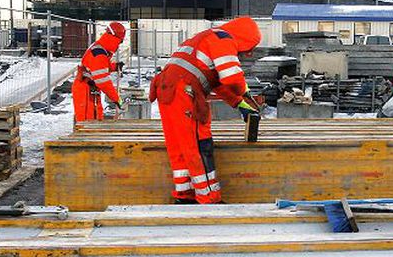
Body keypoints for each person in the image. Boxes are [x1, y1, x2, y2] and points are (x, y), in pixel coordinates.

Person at [149, 17, 261, 204]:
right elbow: (232, 77)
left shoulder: (205, 37)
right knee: (199, 145)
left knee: (179, 145)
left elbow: (215, 81)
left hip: (167, 89)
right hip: (183, 92)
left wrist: (239, 104)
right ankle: (209, 198)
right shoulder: (223, 39)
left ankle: (184, 195)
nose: (247, 54)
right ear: (245, 39)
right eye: (250, 49)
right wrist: (245, 92)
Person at [72, 21, 126, 122]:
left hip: (89, 88)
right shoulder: (99, 53)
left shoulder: (101, 48)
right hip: (85, 90)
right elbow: (103, 80)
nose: (119, 45)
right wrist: (116, 99)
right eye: (120, 42)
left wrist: (114, 67)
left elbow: (100, 67)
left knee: (95, 116)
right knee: (87, 122)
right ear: (115, 39)